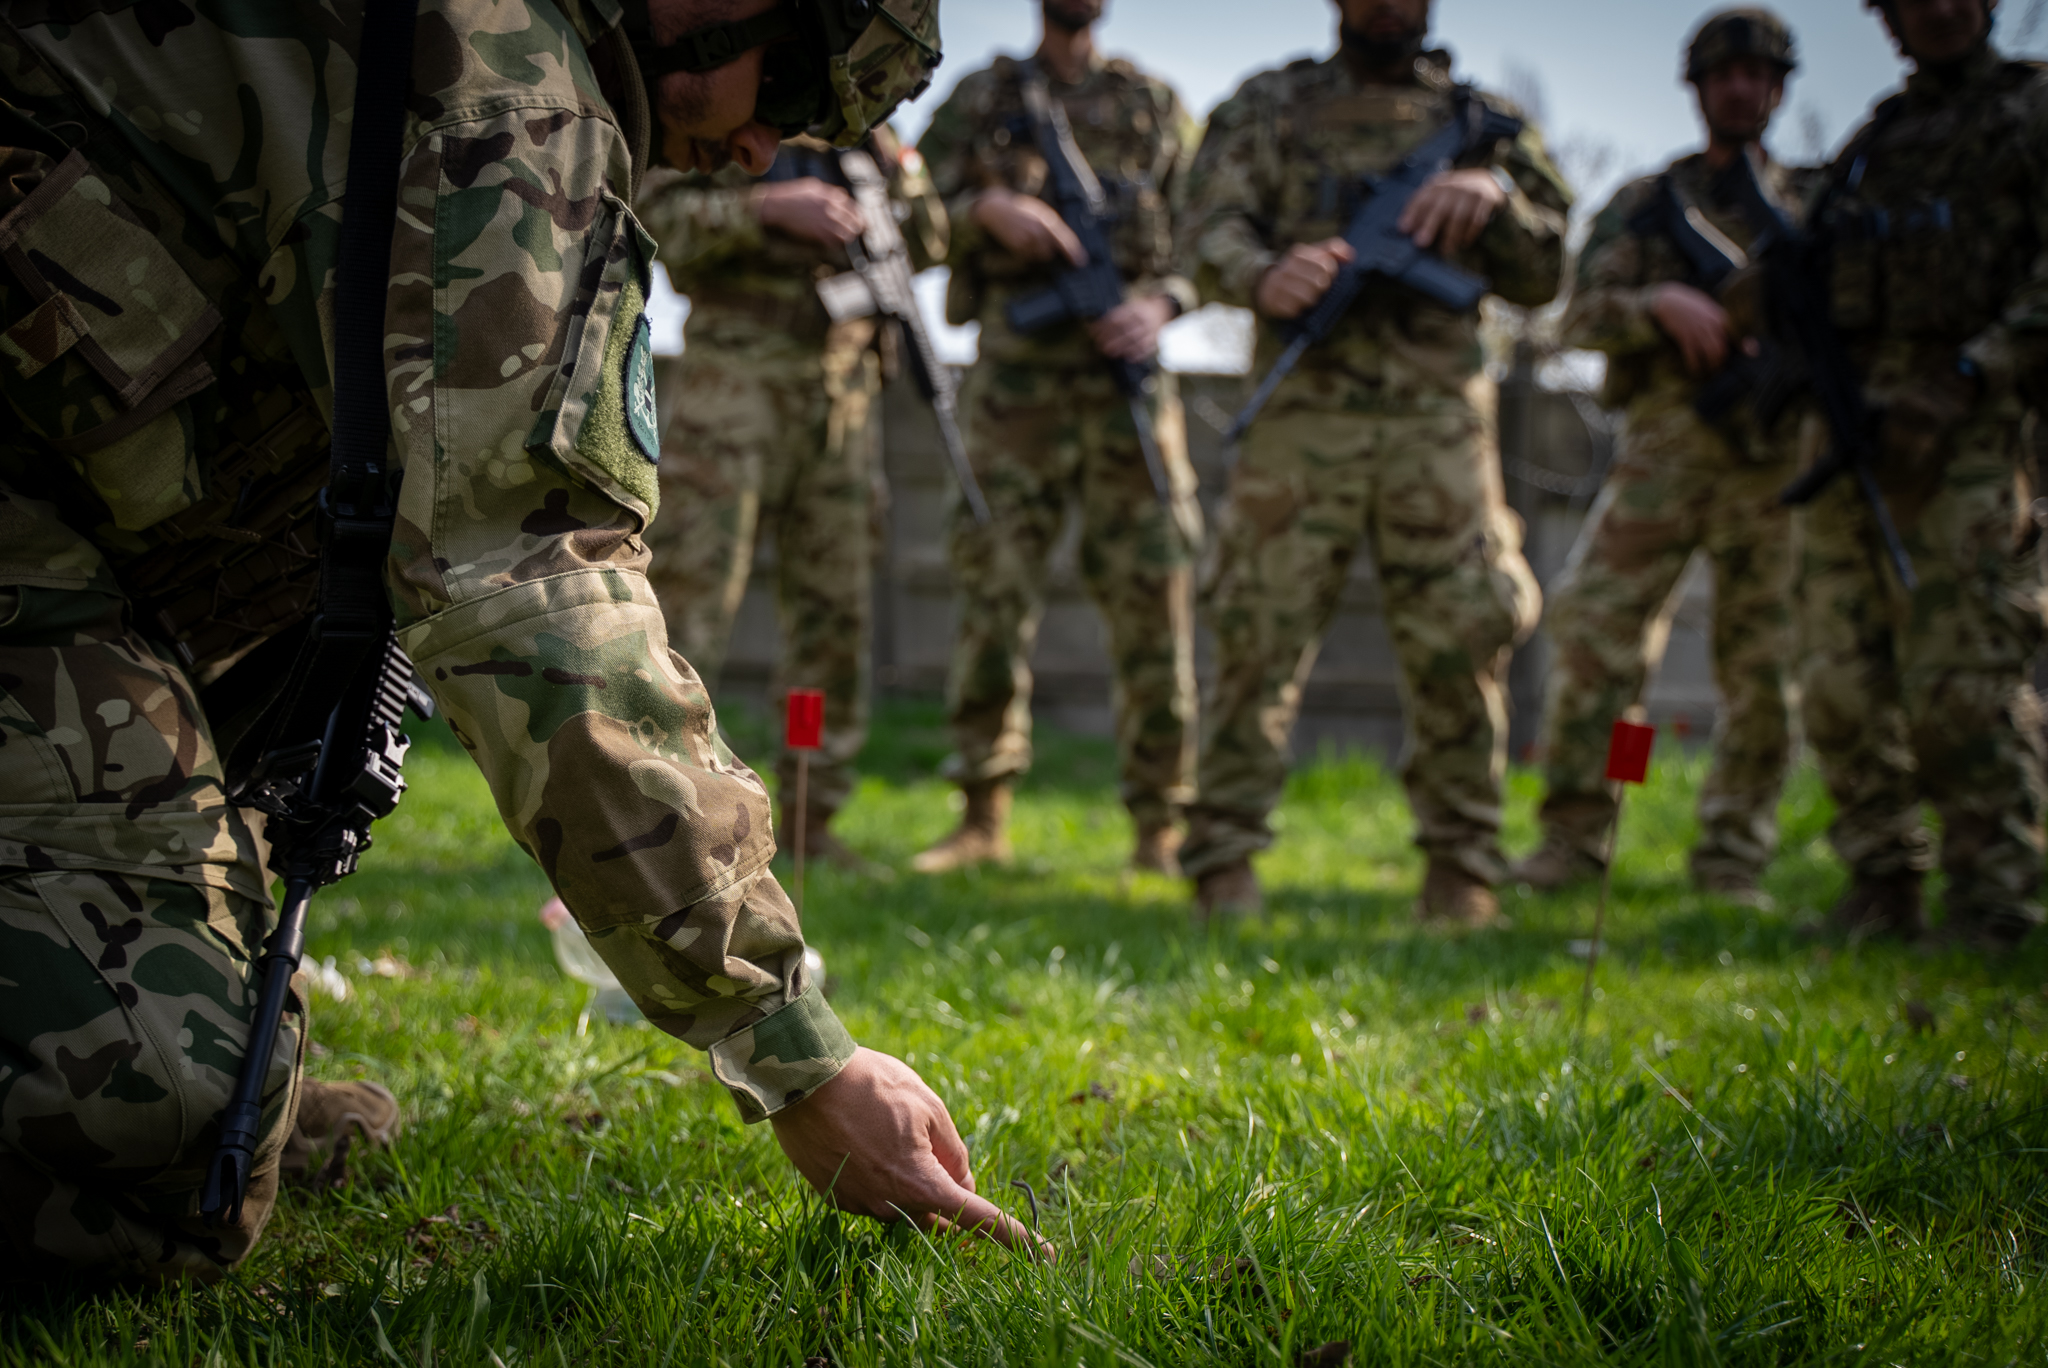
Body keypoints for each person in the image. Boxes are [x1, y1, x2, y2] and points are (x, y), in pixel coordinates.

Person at [0, 0, 1041, 1283]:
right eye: (781, 91)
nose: (762, 146)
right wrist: (791, 1046)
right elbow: (535, 589)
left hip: (80, 503)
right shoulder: (514, 92)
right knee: (160, 1127)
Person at [1175, 0, 1570, 924]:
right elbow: (1199, 231)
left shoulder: (1486, 123)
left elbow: (1548, 271)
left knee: (1463, 635)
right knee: (1256, 630)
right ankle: (1223, 861)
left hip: (1437, 421)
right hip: (1300, 414)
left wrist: (1495, 198)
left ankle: (1463, 868)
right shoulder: (1268, 106)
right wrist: (1262, 273)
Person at [1512, 9, 1810, 907]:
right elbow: (1574, 314)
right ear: (1697, 88)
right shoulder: (1646, 203)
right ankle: (1579, 835)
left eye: (1758, 75)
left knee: (1763, 666)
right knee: (1599, 639)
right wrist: (1658, 306)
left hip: (1776, 462)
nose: (1741, 89)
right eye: (1725, 75)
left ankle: (1734, 853)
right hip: (1663, 458)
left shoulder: (1815, 204)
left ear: (1779, 89)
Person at [909, 0, 1204, 877]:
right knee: (993, 592)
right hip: (1014, 390)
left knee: (1155, 602)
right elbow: (906, 214)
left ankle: (1161, 824)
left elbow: (1214, 228)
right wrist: (985, 209)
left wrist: (1163, 304)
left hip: (1126, 391)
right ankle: (981, 813)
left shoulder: (1155, 106)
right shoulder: (980, 99)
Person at [1794, 0, 2048, 948]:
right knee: (1837, 676)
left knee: (1962, 678)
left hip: (1970, 435)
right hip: (1852, 436)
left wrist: (1973, 372)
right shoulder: (1874, 143)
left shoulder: (2030, 113)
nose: (1937, 8)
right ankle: (1881, 879)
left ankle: (1994, 898)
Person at [635, 125, 948, 875]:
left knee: (831, 615)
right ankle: (653, 810)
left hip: (844, 394)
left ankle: (811, 811)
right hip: (733, 382)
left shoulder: (870, 132)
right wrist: (768, 206)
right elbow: (658, 223)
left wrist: (894, 170)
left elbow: (932, 241)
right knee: (690, 604)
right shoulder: (736, 108)